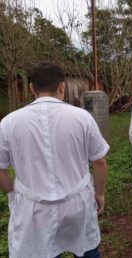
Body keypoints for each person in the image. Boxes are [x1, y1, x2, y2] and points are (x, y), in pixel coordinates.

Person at [0, 61, 109, 258]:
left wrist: (13, 194)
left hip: (32, 209)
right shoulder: (82, 117)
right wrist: (99, 193)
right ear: (62, 86)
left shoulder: (9, 122)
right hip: (78, 202)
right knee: (86, 248)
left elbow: (0, 168)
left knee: (38, 251)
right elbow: (99, 161)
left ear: (31, 87)